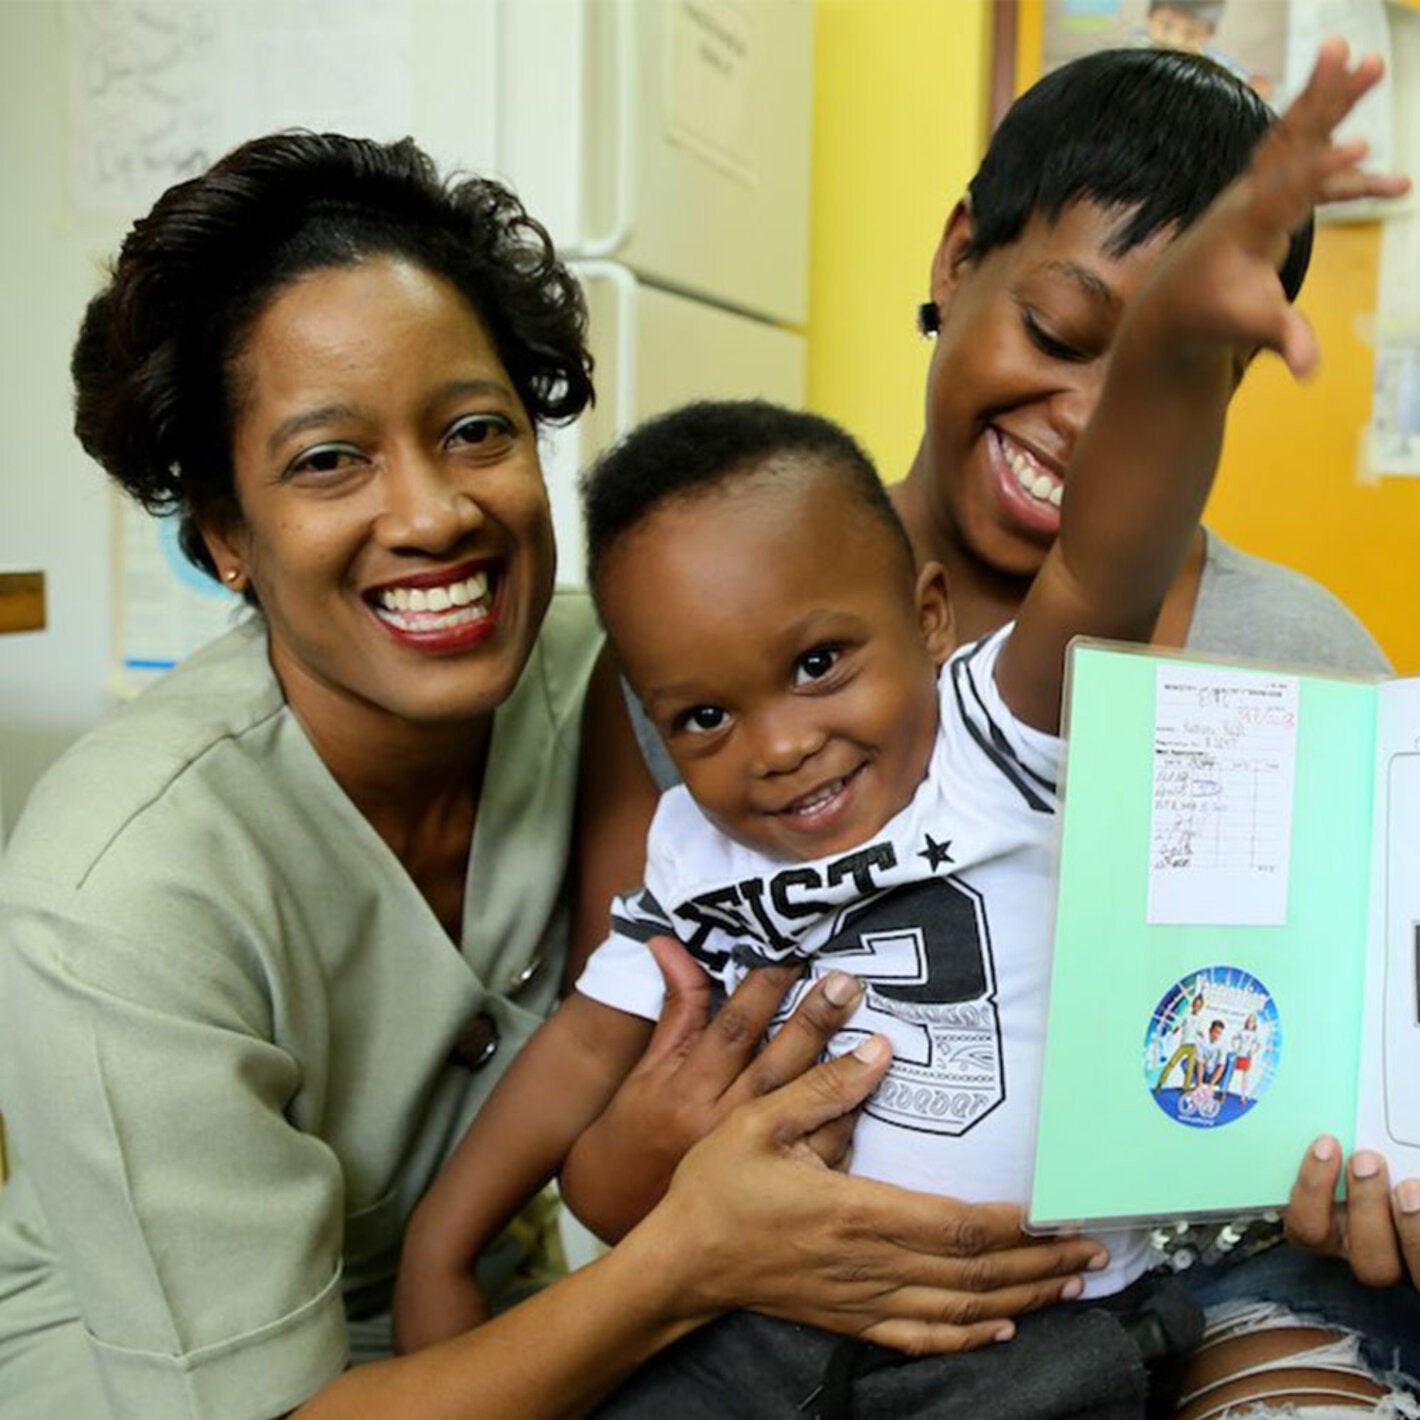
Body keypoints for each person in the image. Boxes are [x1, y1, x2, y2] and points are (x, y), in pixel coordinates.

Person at [0, 132, 1109, 1420]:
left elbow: (655, 1074)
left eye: (475, 430)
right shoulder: (117, 892)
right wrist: (688, 1261)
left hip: (505, 1326)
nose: (431, 515)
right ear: (226, 539)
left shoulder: (627, 684)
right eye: (326, 460)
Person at [395, 47, 1408, 1417]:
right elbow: (613, 1136)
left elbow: (1357, 1074)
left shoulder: (1280, 670)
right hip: (789, 1295)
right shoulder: (694, 638)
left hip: (1193, 1285)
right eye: (1058, 333)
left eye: (1174, 363)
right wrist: (509, 1235)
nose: (1091, 414)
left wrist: (1375, 1174)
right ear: (957, 259)